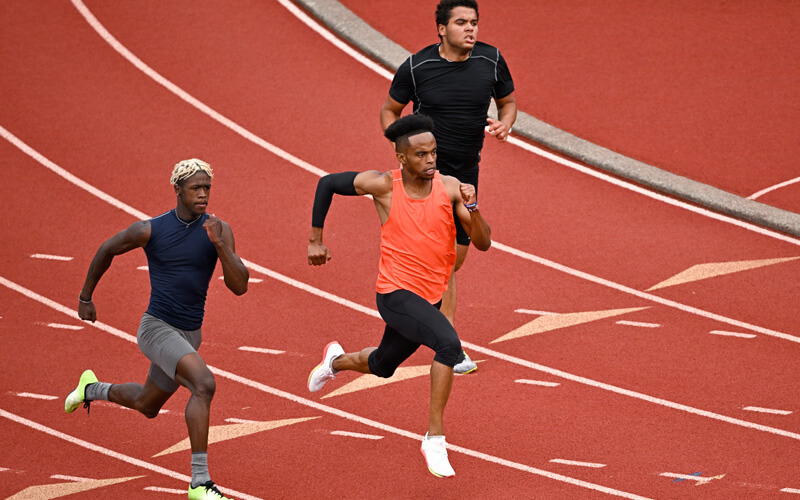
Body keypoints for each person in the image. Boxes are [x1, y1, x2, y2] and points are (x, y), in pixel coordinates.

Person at [306, 114, 491, 477]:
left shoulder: (451, 188)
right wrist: (315, 238)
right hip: (395, 294)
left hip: (431, 297)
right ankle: (434, 438)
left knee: (382, 366)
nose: (431, 161)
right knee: (449, 346)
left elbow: (483, 243)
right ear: (402, 157)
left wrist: (472, 207)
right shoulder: (382, 186)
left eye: (434, 153)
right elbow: (327, 183)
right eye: (421, 155)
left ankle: (335, 362)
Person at [65, 159, 249, 500]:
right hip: (156, 328)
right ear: (177, 190)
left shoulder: (219, 229)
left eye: (207, 187)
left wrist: (220, 245)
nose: (203, 194)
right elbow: (107, 249)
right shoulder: (150, 229)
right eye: (195, 187)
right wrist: (85, 296)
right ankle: (199, 482)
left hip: (190, 334)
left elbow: (240, 287)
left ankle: (91, 389)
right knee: (204, 384)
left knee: (147, 404)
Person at [380, 0, 516, 374]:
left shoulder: (491, 59)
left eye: (474, 22)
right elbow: (390, 110)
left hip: (467, 173)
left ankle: (409, 317)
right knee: (442, 260)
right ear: (441, 28)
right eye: (461, 23)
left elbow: (508, 102)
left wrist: (506, 123)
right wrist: (404, 148)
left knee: (453, 259)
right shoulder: (417, 66)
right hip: (429, 174)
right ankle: (451, 345)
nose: (470, 29)